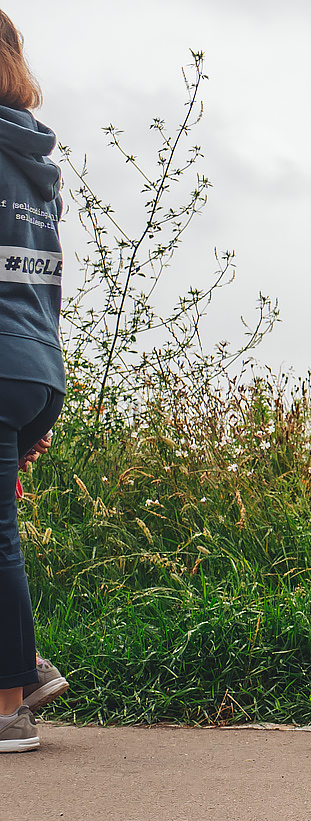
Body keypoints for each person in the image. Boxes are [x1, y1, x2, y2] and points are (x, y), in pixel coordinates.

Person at [0, 11, 67, 756]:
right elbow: (46, 279)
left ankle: (9, 703)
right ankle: (25, 668)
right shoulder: (34, 161)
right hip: (32, 363)